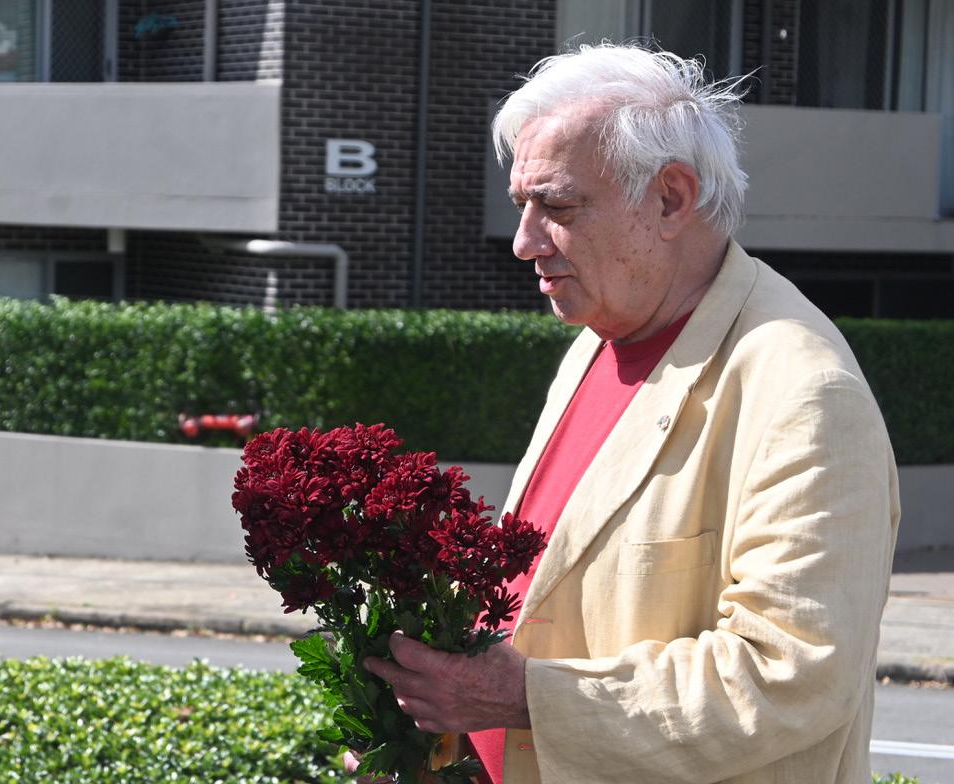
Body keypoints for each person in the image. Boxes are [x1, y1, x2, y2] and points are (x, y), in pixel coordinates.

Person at [361, 44, 901, 783]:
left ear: (671, 199)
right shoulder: (599, 338)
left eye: (557, 207)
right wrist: (423, 720)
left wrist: (521, 697)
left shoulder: (804, 391)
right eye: (522, 207)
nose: (524, 242)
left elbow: (792, 677)